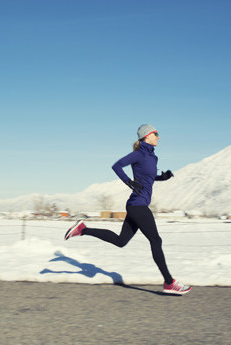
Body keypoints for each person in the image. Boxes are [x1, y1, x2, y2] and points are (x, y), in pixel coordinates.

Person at [64, 124, 191, 295]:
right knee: (156, 240)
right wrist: (128, 182)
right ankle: (169, 282)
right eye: (156, 134)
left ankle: (83, 229)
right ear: (147, 136)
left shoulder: (153, 158)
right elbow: (116, 165)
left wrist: (163, 177)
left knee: (121, 241)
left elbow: (148, 178)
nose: (159, 137)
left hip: (137, 205)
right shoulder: (138, 154)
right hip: (137, 205)